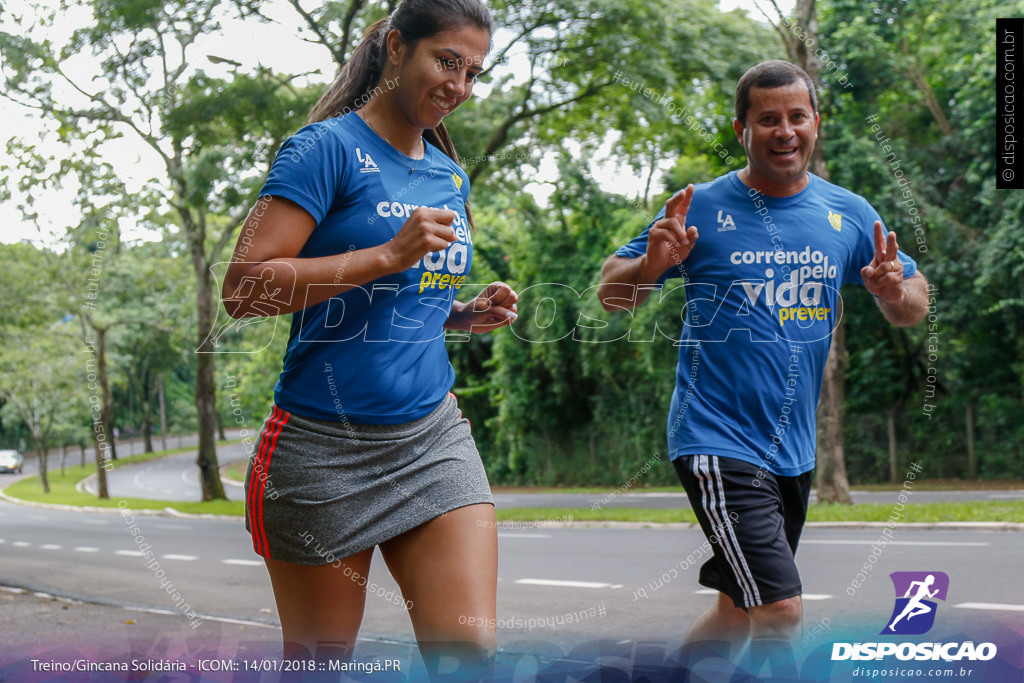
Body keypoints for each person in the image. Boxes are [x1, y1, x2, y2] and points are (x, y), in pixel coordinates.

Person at [598, 60, 928, 671]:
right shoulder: (700, 207)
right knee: (780, 611)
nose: (785, 131)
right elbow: (611, 294)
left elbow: (913, 304)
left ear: (815, 124)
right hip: (716, 437)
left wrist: (892, 291)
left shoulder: (849, 213)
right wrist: (651, 265)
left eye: (796, 117)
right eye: (767, 119)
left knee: (739, 608)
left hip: (792, 451)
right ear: (741, 129)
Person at [221, 1, 517, 678]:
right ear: (394, 48)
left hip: (430, 439)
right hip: (322, 449)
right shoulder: (321, 150)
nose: (460, 86)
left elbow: (398, 300)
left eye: (474, 72)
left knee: (470, 656)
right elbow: (243, 291)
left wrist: (461, 313)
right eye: (447, 61)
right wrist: (387, 254)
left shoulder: (448, 173)